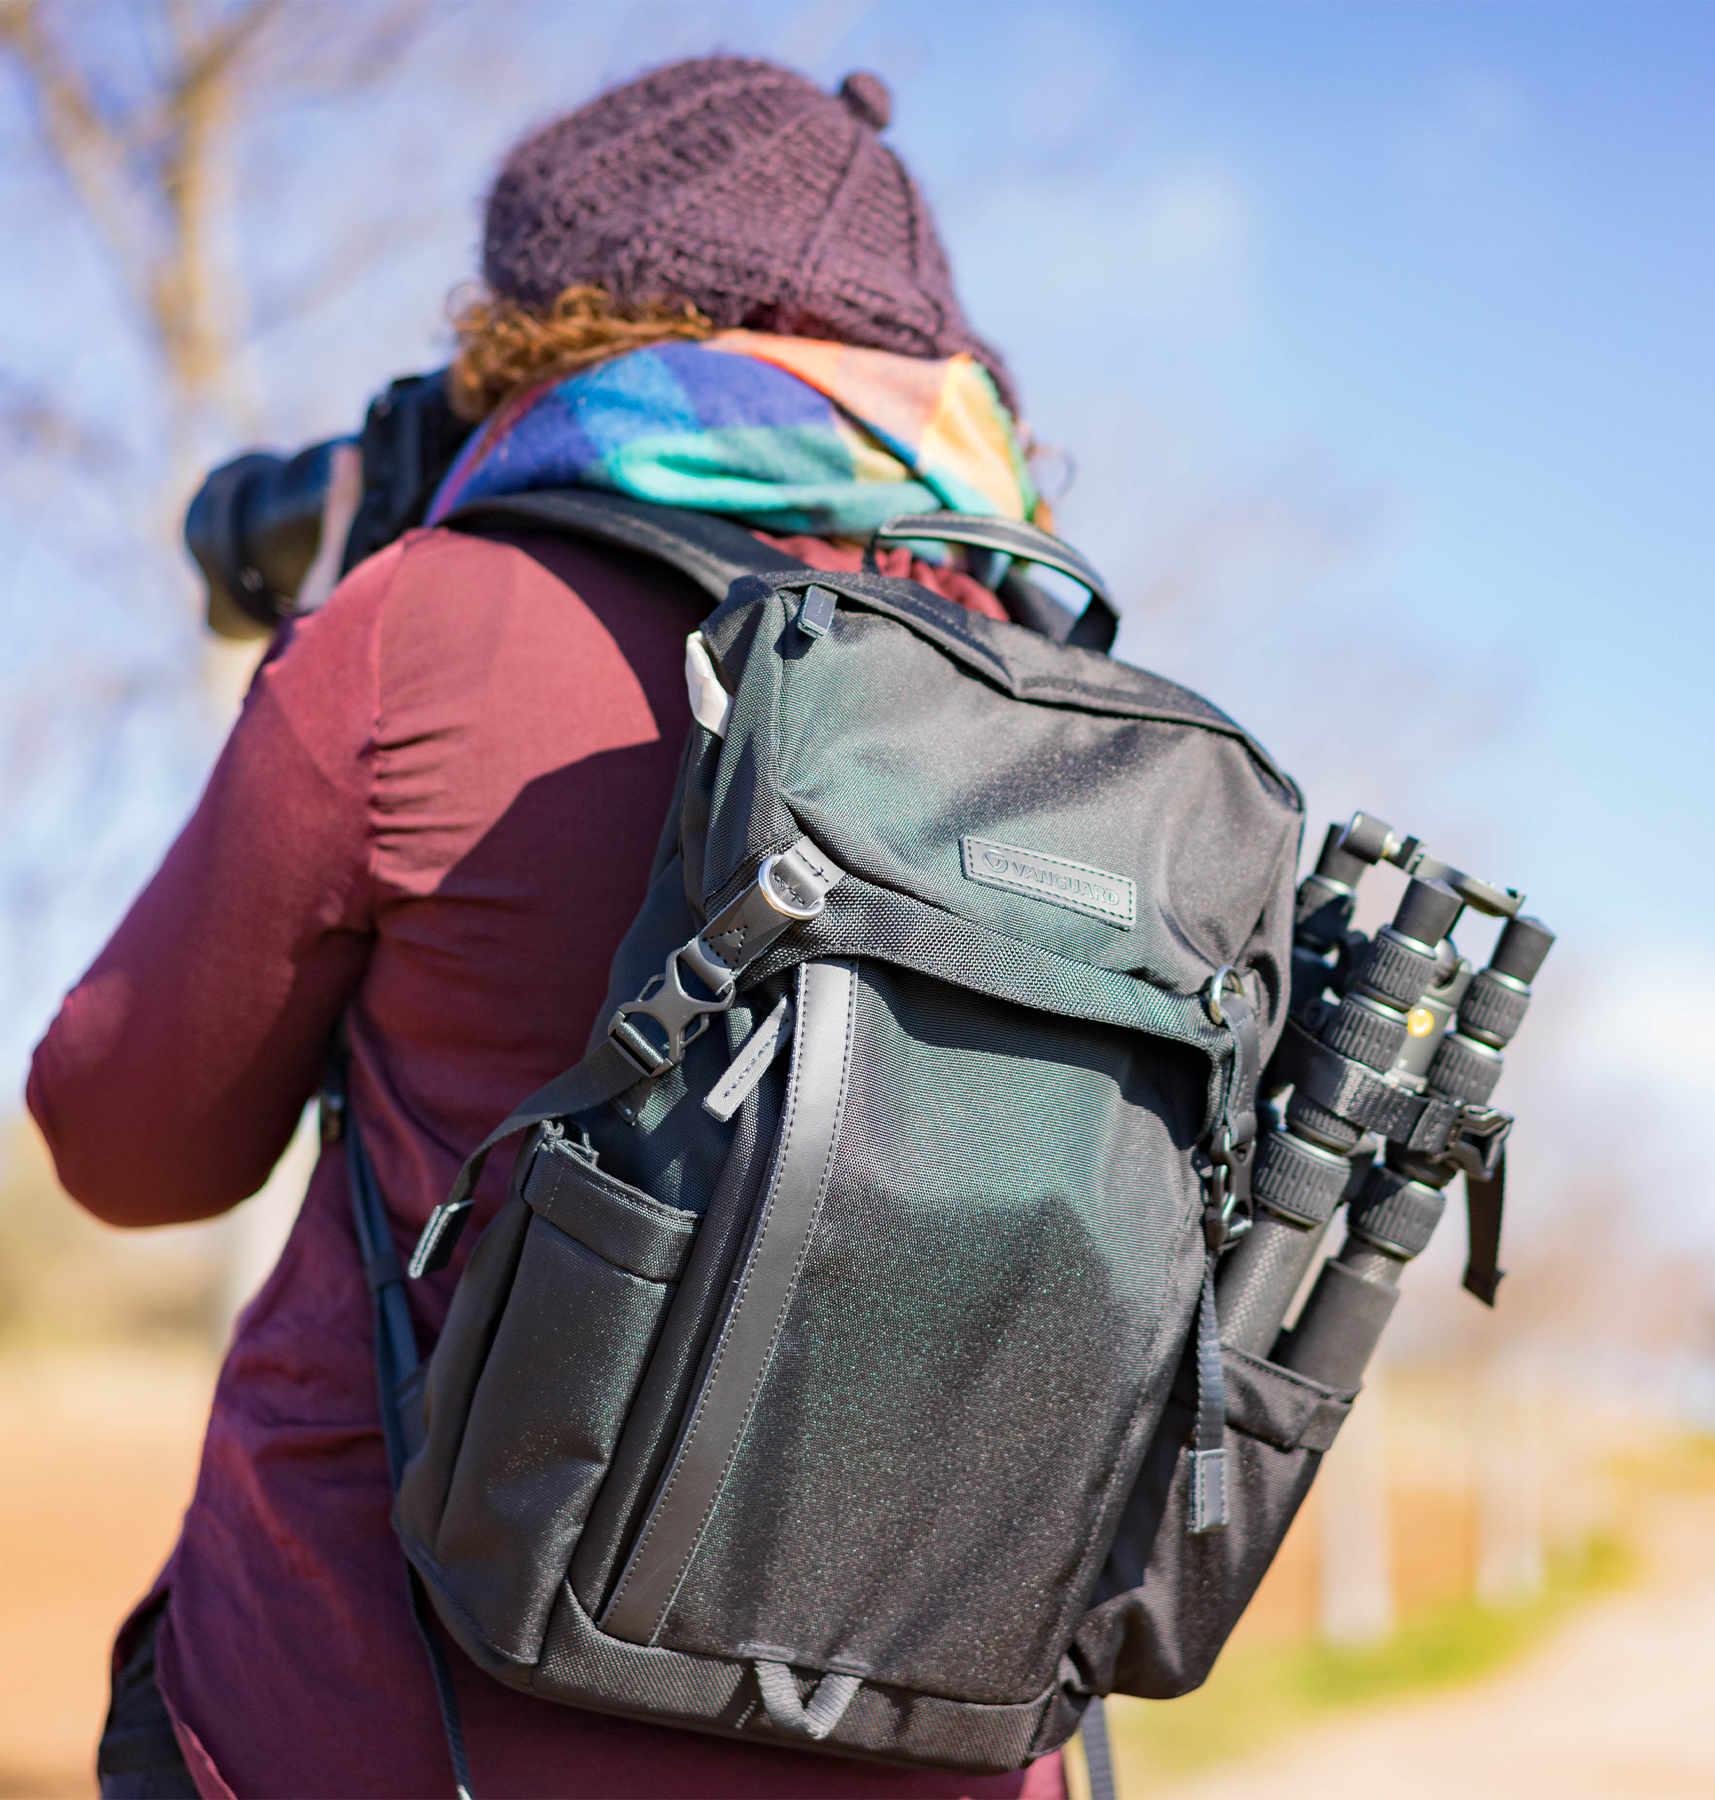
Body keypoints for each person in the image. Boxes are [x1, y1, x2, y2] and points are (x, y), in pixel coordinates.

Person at [28, 54, 1070, 1800]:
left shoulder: (429, 622)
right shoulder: (1082, 716)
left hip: (384, 1731)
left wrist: (351, 607)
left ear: (537, 329)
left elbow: (126, 1142)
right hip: (950, 1749)